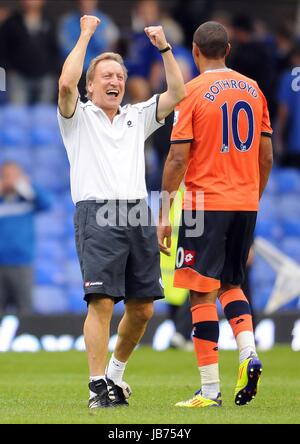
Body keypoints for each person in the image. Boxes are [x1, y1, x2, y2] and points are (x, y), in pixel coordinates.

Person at [57, 15, 185, 409]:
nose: (114, 81)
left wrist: (164, 48)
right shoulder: (76, 117)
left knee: (143, 308)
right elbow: (65, 84)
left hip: (136, 213)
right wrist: (86, 35)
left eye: (120, 75)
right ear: (91, 85)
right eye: (106, 76)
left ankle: (114, 375)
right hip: (96, 213)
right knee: (101, 302)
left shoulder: (137, 115)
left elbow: (177, 92)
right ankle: (97, 387)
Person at [157, 21, 273, 408]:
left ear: (194, 50)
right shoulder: (254, 90)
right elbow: (267, 155)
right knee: (232, 284)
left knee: (200, 290)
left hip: (205, 204)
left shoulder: (189, 93)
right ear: (228, 50)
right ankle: (248, 352)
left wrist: (163, 210)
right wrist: (252, 195)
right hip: (244, 201)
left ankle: (209, 391)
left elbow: (176, 157)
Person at [0, 162, 52, 314]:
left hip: (22, 264)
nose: (10, 180)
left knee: (25, 311)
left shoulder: (27, 199)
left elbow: (47, 203)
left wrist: (25, 188)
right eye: (6, 176)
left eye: (14, 176)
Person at [0, 0, 59, 104]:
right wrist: (9, 69)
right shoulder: (11, 22)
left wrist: (52, 71)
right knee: (17, 114)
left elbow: (55, 49)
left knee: (43, 114)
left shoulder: (49, 21)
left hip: (45, 77)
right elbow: (3, 49)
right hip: (18, 77)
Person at [58, 0, 120, 100]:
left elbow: (111, 46)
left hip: (98, 72)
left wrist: (92, 32)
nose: (87, 3)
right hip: (76, 73)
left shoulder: (104, 21)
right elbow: (65, 48)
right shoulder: (67, 22)